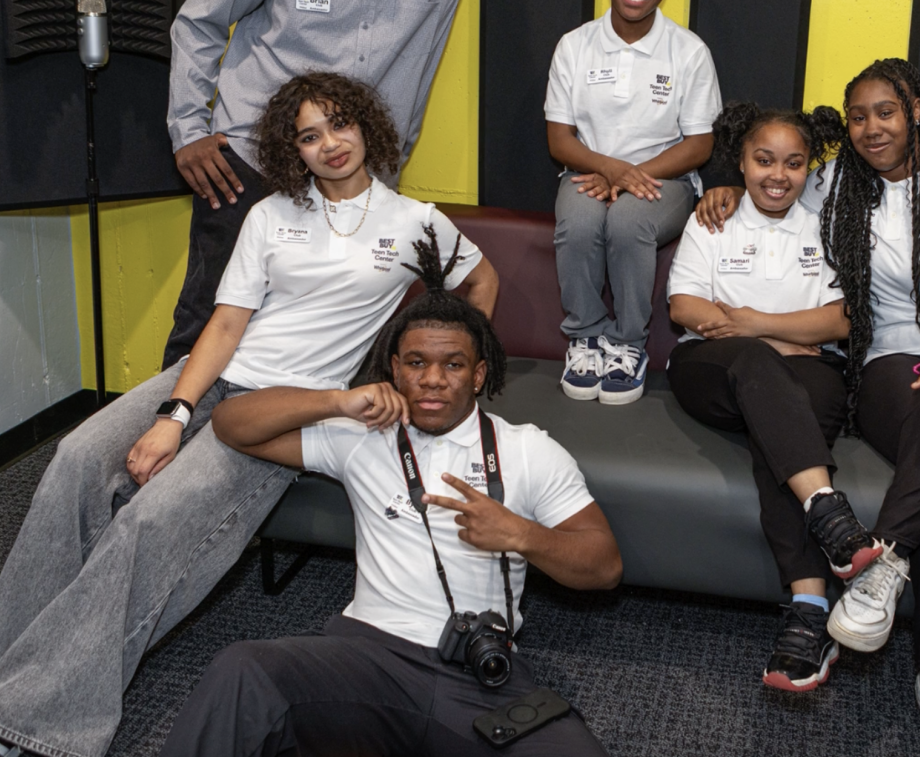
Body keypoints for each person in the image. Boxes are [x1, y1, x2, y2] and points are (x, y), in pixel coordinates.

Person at [0, 74, 498, 757]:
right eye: (309, 135)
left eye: (340, 124)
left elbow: (480, 281)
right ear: (292, 150)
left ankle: (34, 718)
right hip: (208, 376)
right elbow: (228, 322)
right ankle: (10, 647)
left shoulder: (415, 222)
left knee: (148, 524)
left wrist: (447, 371)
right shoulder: (272, 214)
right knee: (75, 457)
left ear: (368, 128)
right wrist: (174, 412)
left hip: (288, 408)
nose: (330, 144)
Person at [698, 59, 920, 757]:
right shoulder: (835, 190)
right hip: (891, 366)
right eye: (857, 117)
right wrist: (729, 187)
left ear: (917, 111)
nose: (869, 127)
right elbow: (776, 175)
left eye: (884, 111)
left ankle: (886, 558)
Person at [158, 252, 621, 757]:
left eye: (454, 364)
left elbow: (604, 566)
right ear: (396, 370)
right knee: (244, 671)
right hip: (365, 659)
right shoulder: (363, 436)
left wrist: (521, 535)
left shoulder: (528, 450)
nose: (433, 379)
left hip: (479, 669)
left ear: (479, 374)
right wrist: (335, 401)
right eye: (417, 363)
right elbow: (230, 423)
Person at [164, 0, 467, 368]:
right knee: (208, 320)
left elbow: (419, 70)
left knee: (327, 331)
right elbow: (199, 22)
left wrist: (386, 172)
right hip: (248, 162)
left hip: (354, 179)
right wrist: (188, 130)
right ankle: (162, 437)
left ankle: (296, 449)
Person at [667, 102, 884, 693]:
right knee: (762, 370)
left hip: (803, 374)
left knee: (784, 433)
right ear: (741, 160)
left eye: (793, 163)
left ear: (809, 168)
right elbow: (685, 307)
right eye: (764, 160)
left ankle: (809, 610)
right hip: (708, 367)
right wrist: (776, 338)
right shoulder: (714, 218)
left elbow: (842, 320)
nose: (777, 175)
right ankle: (832, 518)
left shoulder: (825, 224)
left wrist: (755, 322)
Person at [545, 0, 722, 405]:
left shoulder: (688, 51)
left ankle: (627, 346)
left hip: (665, 180)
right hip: (586, 172)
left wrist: (628, 178)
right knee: (579, 224)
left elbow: (699, 145)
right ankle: (585, 336)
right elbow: (560, 140)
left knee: (627, 223)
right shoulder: (574, 46)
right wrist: (610, 170)